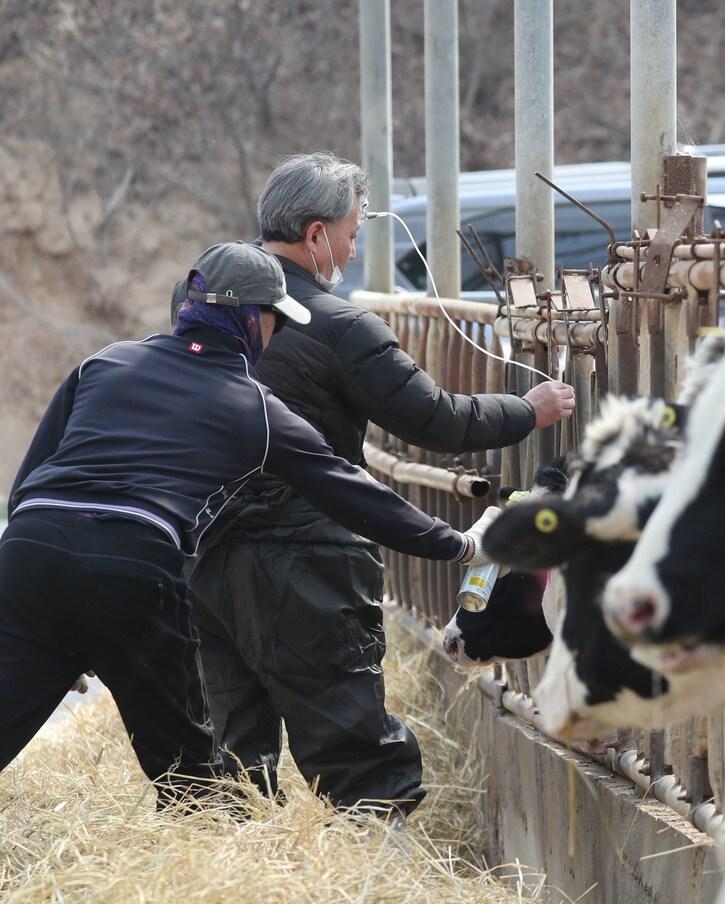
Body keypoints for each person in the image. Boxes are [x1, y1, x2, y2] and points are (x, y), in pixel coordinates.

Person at [0, 243, 500, 807]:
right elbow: (352, 493)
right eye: (276, 322)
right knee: (191, 775)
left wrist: (48, 619)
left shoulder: (105, 362)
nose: (276, 336)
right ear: (249, 320)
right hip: (132, 563)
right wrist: (459, 546)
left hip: (27, 553)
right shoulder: (251, 406)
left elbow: (27, 486)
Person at [186, 152, 574, 817]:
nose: (353, 246)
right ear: (315, 236)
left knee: (232, 754)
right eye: (351, 232)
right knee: (353, 746)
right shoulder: (339, 325)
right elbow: (433, 418)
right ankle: (372, 871)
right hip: (305, 562)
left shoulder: (204, 298)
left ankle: (232, 867)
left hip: (206, 551)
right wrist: (529, 410)